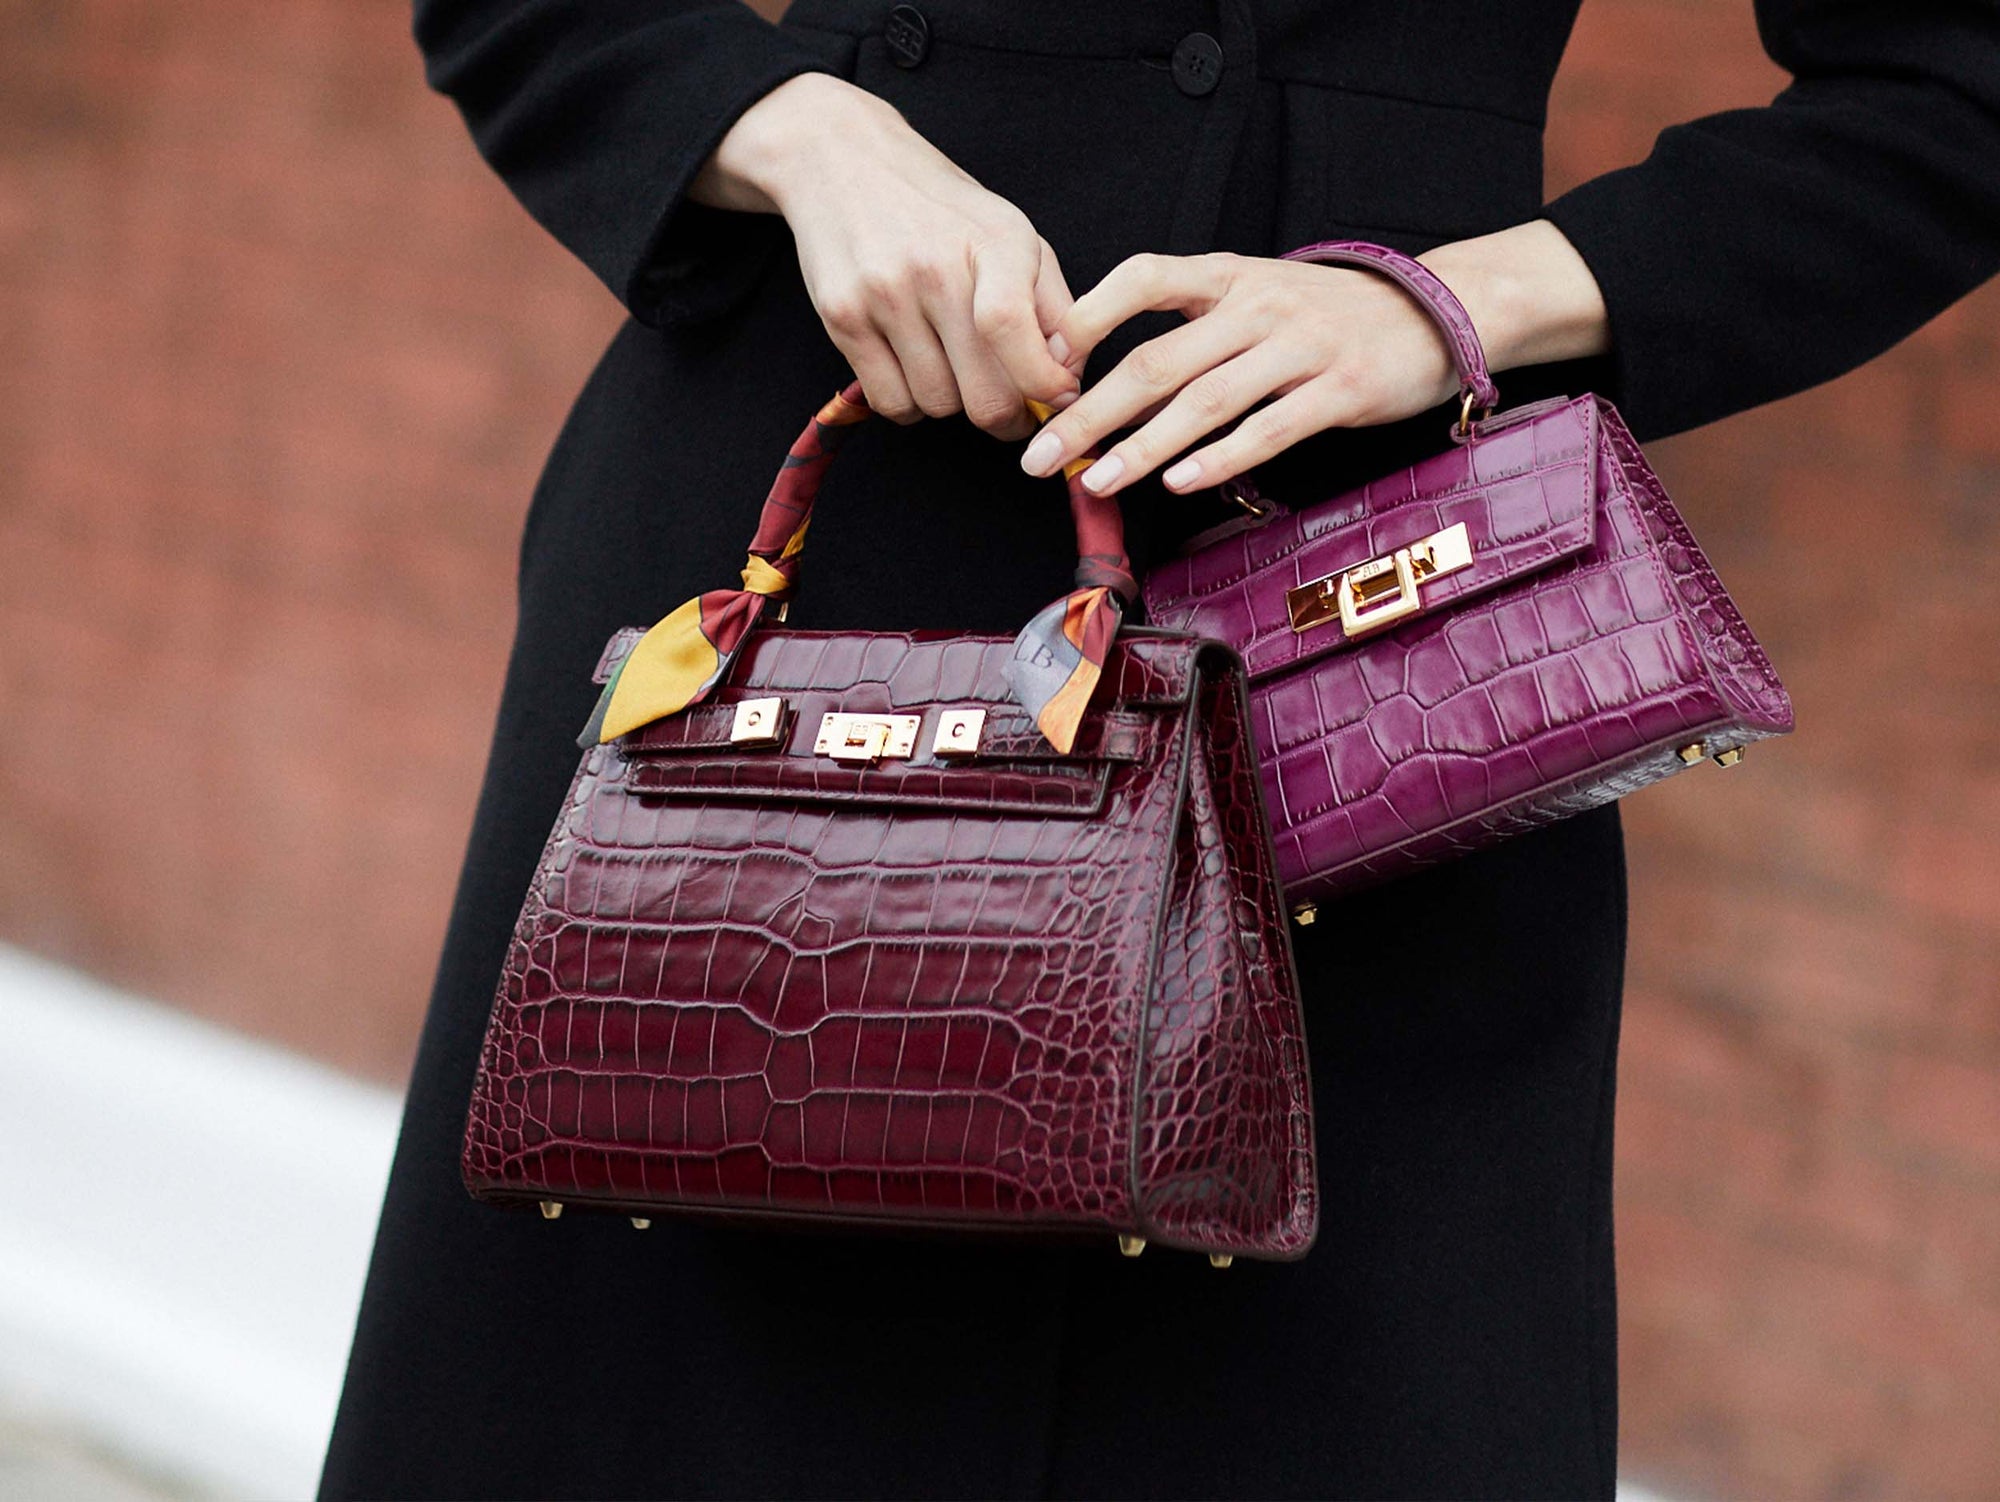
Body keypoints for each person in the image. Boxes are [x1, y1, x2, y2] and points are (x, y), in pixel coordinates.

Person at [320, 1, 2000, 1496]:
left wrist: (1453, 301)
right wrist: (794, 126)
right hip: (793, 562)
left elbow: (1953, 84)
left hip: (1361, 643)